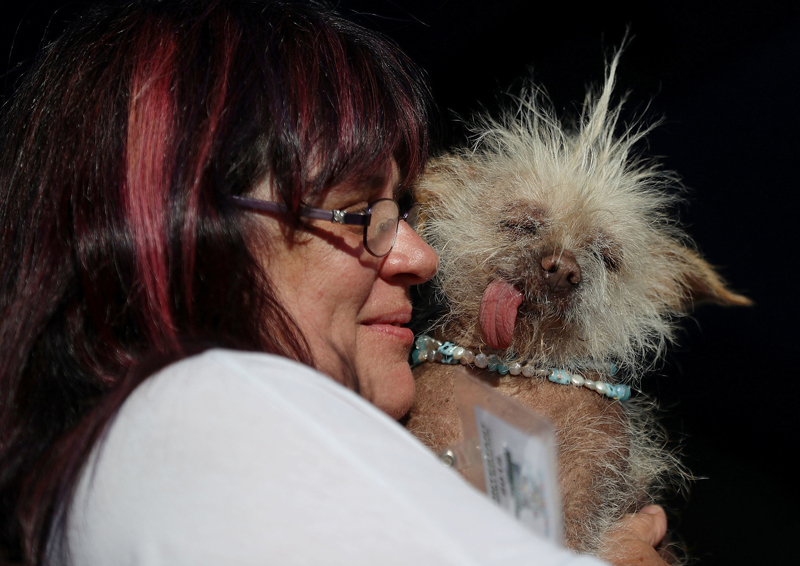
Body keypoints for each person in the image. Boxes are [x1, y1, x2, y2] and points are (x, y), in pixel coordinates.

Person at [0, 1, 669, 564]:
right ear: (187, 226)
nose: (420, 256)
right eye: (357, 215)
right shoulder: (211, 397)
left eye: (402, 212)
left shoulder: (106, 467)